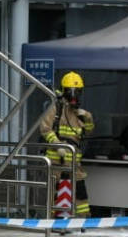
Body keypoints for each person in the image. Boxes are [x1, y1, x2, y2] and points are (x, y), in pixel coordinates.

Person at [38, 71, 95, 218]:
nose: (75, 95)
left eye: (78, 92)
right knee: (56, 191)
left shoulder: (80, 113)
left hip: (74, 160)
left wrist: (88, 119)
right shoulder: (56, 109)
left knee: (80, 189)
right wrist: (57, 144)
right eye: (72, 91)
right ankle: (52, 221)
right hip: (57, 159)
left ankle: (83, 219)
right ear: (65, 91)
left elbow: (87, 133)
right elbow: (45, 129)